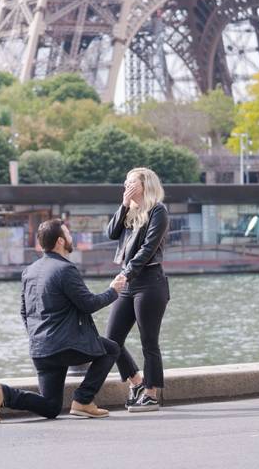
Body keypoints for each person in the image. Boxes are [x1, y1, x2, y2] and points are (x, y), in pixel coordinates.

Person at [0, 218, 126, 422]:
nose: (71, 237)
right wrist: (113, 291)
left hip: (40, 349)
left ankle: (2, 393)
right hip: (64, 347)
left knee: (51, 407)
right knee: (111, 349)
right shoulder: (65, 269)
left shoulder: (29, 271)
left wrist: (37, 337)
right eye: (68, 234)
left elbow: (24, 312)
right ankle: (83, 400)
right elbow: (89, 304)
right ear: (60, 241)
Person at [104, 167, 171, 412]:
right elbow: (111, 233)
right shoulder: (130, 211)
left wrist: (125, 273)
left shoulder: (158, 211)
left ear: (145, 185)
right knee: (111, 339)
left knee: (149, 341)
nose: (127, 186)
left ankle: (152, 394)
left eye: (132, 183)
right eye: (126, 183)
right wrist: (123, 204)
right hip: (129, 282)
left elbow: (148, 249)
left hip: (150, 282)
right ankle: (137, 381)